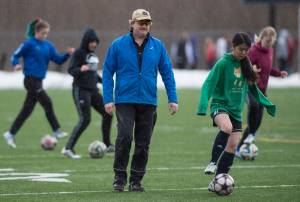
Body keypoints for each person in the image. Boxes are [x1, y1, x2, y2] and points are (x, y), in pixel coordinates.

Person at [102, 9, 178, 192]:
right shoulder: (118, 45)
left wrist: (172, 98)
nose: (143, 25)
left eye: (147, 22)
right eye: (140, 22)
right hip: (124, 100)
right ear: (132, 23)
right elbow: (107, 72)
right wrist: (107, 98)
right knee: (125, 137)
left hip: (148, 101)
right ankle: (119, 178)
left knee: (143, 144)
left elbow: (167, 73)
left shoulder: (158, 46)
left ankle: (136, 180)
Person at [197, 32, 276, 192]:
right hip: (220, 106)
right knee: (226, 127)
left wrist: (267, 104)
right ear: (233, 46)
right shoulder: (223, 63)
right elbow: (208, 84)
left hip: (235, 111)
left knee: (233, 146)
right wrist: (202, 105)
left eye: (247, 50)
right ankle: (212, 162)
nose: (244, 53)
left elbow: (254, 89)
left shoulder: (246, 65)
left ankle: (217, 180)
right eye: (241, 49)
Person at [3, 18, 74, 149]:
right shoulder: (29, 44)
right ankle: (57, 130)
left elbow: (58, 60)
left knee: (27, 110)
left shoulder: (48, 46)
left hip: (39, 81)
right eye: (43, 33)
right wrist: (16, 64)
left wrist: (67, 54)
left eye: (47, 33)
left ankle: (10, 133)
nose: (45, 36)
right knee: (47, 102)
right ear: (36, 31)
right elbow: (15, 55)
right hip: (30, 80)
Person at [61, 28, 114, 159]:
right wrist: (81, 69)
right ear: (86, 41)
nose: (94, 44)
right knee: (85, 119)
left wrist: (105, 82)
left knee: (108, 113)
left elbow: (94, 73)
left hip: (93, 90)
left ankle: (107, 144)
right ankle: (68, 148)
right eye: (91, 42)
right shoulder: (78, 53)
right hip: (81, 90)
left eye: (95, 42)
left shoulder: (94, 55)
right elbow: (71, 70)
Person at [236, 26, 288, 152]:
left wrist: (278, 73)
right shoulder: (253, 50)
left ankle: (240, 147)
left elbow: (267, 69)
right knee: (253, 106)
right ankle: (250, 135)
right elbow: (242, 65)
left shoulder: (270, 51)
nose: (268, 45)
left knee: (257, 122)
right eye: (266, 42)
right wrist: (251, 70)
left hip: (263, 91)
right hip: (251, 87)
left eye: (271, 43)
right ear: (261, 38)